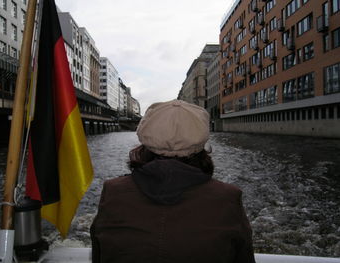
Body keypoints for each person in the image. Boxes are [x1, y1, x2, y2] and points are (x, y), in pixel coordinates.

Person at [90, 99, 255, 263]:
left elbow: (99, 254)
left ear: (144, 140)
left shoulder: (113, 191)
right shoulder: (228, 197)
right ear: (201, 146)